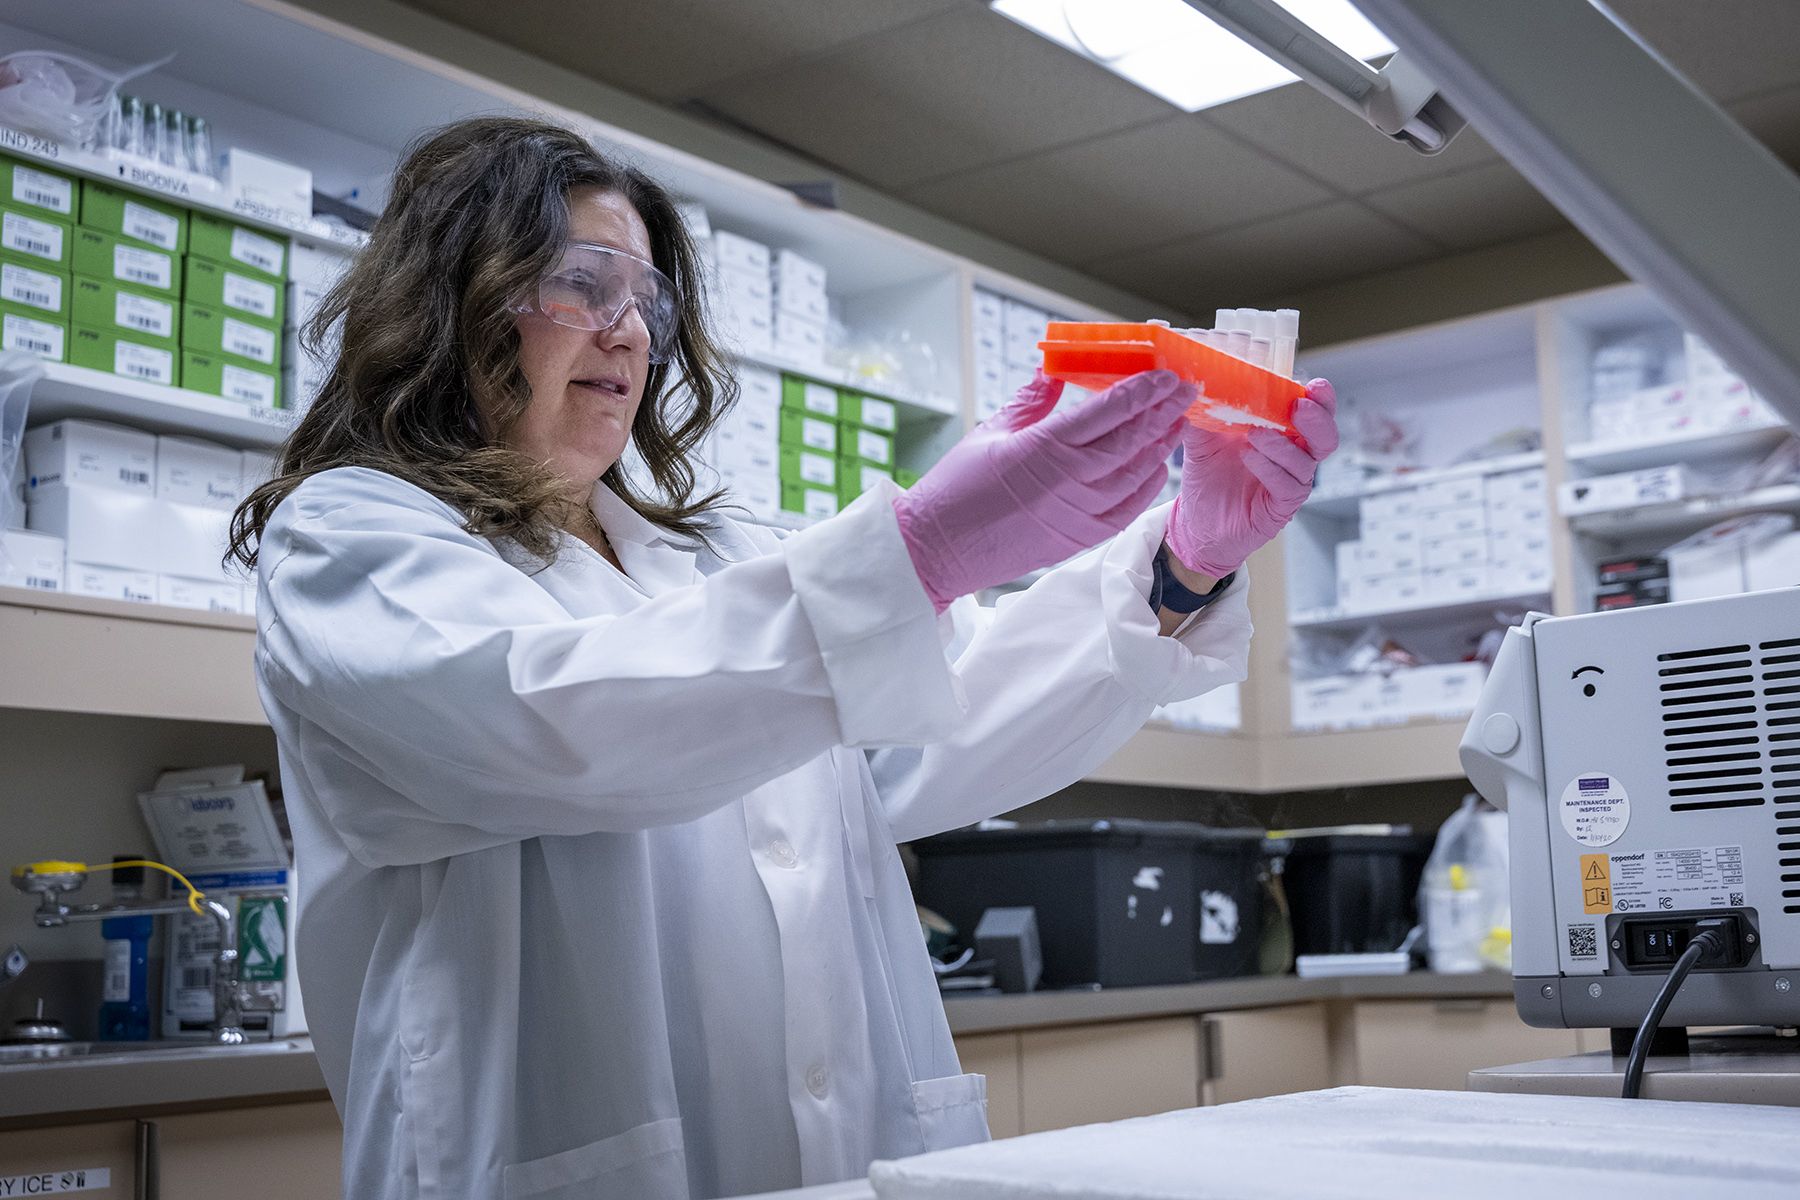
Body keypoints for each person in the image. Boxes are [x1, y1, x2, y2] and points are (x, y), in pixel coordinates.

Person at [228, 116, 1336, 1200]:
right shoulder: (347, 541)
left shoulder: (722, 555)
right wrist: (920, 555)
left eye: (646, 298)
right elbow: (551, 723)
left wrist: (1181, 567)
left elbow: (925, 725)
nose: (629, 332)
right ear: (451, 301)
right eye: (583, 284)